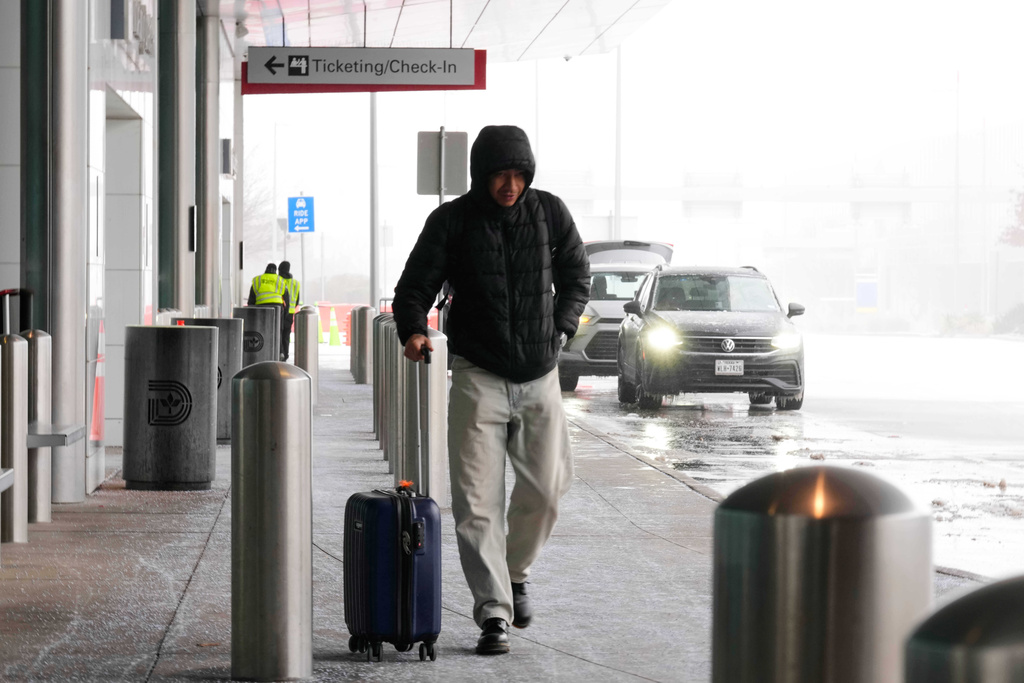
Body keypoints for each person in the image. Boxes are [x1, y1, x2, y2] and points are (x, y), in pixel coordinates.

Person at [393, 125, 590, 655]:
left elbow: (577, 275)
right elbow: (414, 287)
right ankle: (493, 613)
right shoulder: (452, 221)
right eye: (500, 174)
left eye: (518, 174)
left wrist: (562, 327)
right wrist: (413, 329)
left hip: (539, 372)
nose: (510, 184)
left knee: (547, 490)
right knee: (476, 501)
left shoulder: (549, 212)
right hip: (477, 374)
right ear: (480, 175)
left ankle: (516, 570)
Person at [247, 263, 290, 358]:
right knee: (278, 329)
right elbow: (287, 299)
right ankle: (280, 352)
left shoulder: (257, 280)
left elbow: (251, 300)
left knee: (261, 330)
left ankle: (262, 351)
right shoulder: (280, 280)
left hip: (261, 308)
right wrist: (285, 313)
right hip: (277, 307)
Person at [278, 260, 301, 361]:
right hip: (290, 312)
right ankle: (286, 355)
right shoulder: (295, 283)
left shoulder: (278, 280)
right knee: (286, 335)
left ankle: (279, 352)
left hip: (280, 311)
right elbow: (297, 300)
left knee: (278, 333)